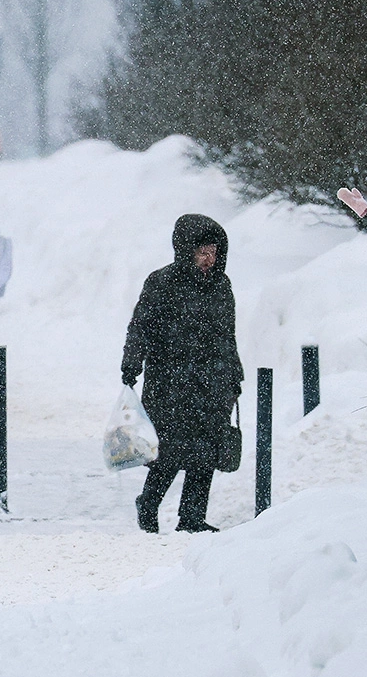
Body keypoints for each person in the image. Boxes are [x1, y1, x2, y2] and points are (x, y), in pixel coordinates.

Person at [121, 214, 244, 534]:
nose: (209, 259)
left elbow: (227, 334)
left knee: (205, 452)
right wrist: (132, 363)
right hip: (170, 380)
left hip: (212, 381)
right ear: (185, 249)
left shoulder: (222, 285)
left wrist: (234, 373)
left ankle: (191, 517)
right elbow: (140, 328)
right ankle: (148, 503)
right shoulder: (161, 282)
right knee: (171, 452)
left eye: (214, 252)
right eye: (202, 252)